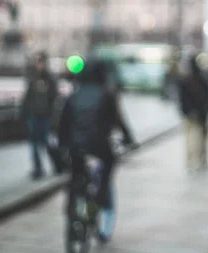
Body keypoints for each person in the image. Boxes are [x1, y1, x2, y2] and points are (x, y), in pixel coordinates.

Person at [58, 58, 134, 242]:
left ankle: (72, 200)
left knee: (76, 174)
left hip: (76, 147)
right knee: (108, 165)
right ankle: (100, 197)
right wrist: (128, 138)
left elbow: (62, 124)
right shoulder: (107, 95)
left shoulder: (73, 95)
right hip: (99, 146)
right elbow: (118, 120)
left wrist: (64, 145)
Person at [21, 51, 60, 179]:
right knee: (34, 143)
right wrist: (24, 112)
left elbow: (55, 96)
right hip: (33, 115)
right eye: (36, 61)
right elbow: (28, 97)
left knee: (45, 141)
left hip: (44, 116)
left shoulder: (50, 78)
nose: (38, 64)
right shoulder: (32, 77)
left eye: (39, 61)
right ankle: (38, 168)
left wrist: (46, 90)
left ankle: (58, 164)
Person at [180, 56, 208, 172]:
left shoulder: (186, 81)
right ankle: (202, 160)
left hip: (192, 115)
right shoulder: (203, 79)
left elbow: (183, 99)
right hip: (201, 115)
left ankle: (191, 161)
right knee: (201, 140)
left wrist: (188, 111)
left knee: (190, 139)